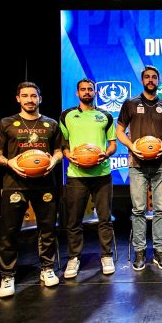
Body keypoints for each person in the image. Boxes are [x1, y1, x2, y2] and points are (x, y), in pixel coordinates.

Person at [0, 82, 63, 297]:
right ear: (18, 99)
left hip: (45, 183)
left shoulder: (51, 124)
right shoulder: (7, 123)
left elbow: (59, 151)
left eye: (33, 96)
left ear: (40, 99)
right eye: (25, 96)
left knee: (47, 228)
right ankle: (7, 275)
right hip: (15, 184)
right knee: (9, 231)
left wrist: (53, 161)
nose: (30, 100)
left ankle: (47, 268)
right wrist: (10, 162)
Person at [59, 78, 117, 278]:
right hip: (76, 175)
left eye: (90, 89)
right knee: (74, 220)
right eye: (83, 89)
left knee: (105, 218)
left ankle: (106, 256)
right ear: (77, 93)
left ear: (95, 92)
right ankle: (74, 258)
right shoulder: (67, 115)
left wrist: (106, 154)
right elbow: (63, 144)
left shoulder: (105, 116)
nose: (86, 92)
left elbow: (113, 144)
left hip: (102, 174)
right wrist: (69, 156)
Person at [117, 66, 162, 271]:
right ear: (142, 81)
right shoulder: (130, 104)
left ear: (158, 80)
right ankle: (139, 253)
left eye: (154, 77)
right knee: (138, 210)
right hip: (137, 166)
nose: (150, 80)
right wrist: (132, 147)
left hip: (160, 166)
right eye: (147, 77)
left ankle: (159, 252)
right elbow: (119, 131)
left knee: (160, 210)